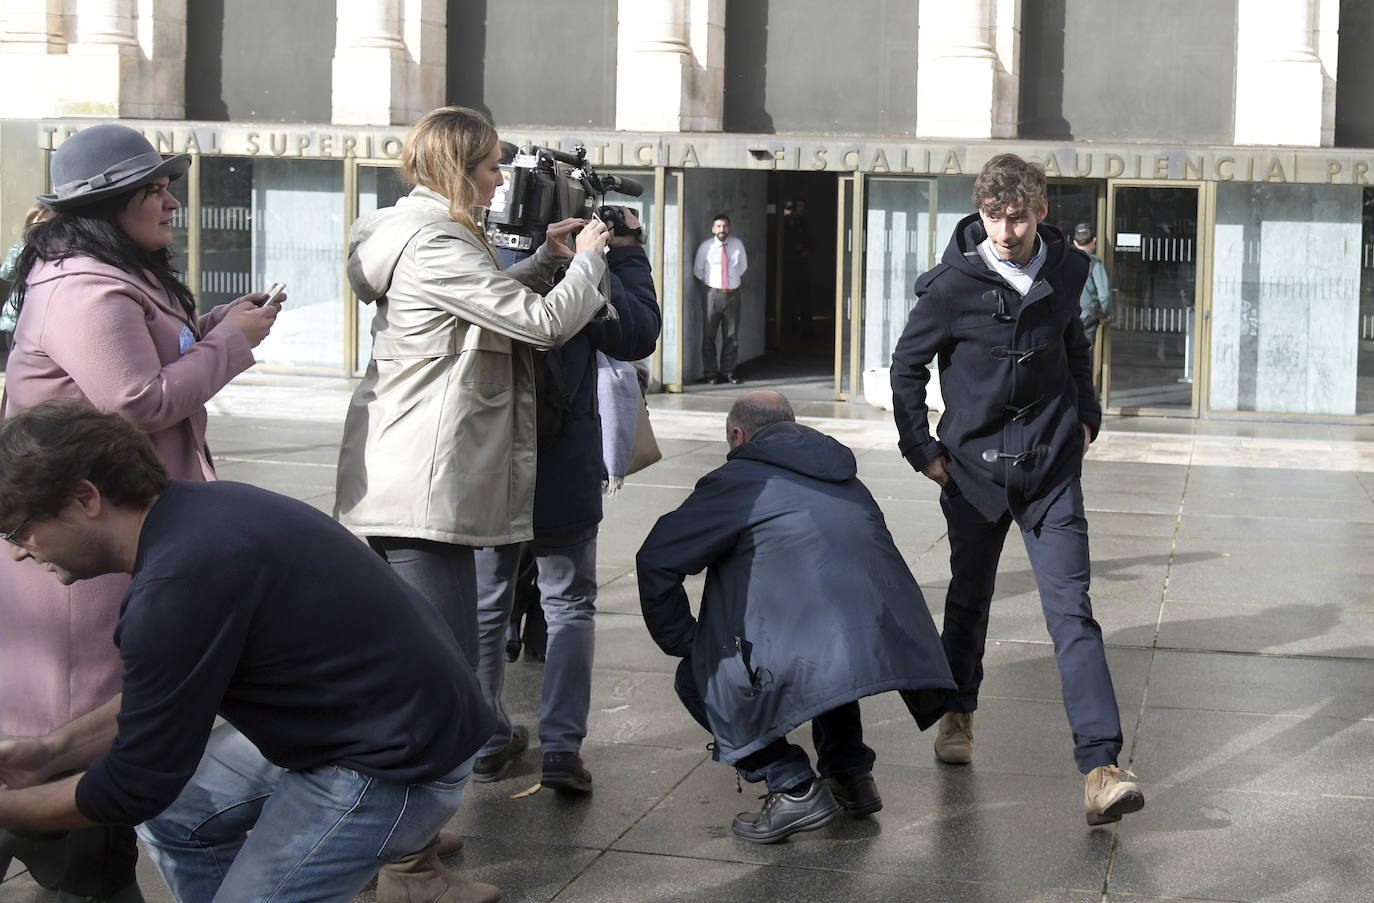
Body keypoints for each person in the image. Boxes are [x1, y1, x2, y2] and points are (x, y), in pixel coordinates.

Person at [0, 400, 495, 903]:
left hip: (397, 762)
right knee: (176, 818)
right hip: (390, 721)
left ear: (86, 497)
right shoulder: (198, 512)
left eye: (19, 530)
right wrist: (47, 754)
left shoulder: (176, 584)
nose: (19, 550)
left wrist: (9, 808)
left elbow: (132, 785)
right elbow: (158, 712)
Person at [0, 123, 281, 902]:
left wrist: (219, 328)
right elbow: (137, 400)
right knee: (79, 733)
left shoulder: (116, 272)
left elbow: (150, 366)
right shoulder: (86, 285)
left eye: (166, 183)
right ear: (108, 206)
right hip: (79, 554)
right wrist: (234, 345)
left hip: (111, 538)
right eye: (151, 189)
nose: (169, 199)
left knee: (98, 736)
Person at [889, 153, 1145, 827]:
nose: (1005, 230)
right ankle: (958, 712)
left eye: (1018, 215)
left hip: (1052, 469)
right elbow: (906, 365)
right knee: (969, 601)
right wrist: (922, 450)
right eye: (994, 216)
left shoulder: (1068, 270)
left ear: (1041, 212)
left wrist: (1087, 415)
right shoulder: (949, 286)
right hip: (973, 473)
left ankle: (1101, 767)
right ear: (981, 214)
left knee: (1073, 612)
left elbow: (1071, 345)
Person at [635, 390, 955, 844]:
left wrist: (686, 641)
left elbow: (657, 559)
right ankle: (851, 775)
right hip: (884, 636)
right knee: (830, 659)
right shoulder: (839, 473)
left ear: (737, 435)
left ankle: (793, 787)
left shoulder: (740, 480)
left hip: (833, 635)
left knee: (697, 679)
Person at [470, 206, 660, 795]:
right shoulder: (579, 270)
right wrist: (621, 249)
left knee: (484, 606)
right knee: (570, 606)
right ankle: (561, 748)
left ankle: (487, 738)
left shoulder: (479, 255)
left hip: (491, 467)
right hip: (562, 468)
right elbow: (635, 333)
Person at [692, 213, 748, 384]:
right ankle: (710, 373)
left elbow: (743, 267)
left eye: (724, 226)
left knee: (731, 335)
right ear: (713, 228)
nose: (721, 229)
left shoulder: (737, 245)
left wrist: (730, 283)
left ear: (728, 228)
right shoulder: (705, 247)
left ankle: (728, 372)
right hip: (712, 295)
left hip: (733, 294)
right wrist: (714, 284)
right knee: (709, 335)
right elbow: (698, 271)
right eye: (718, 226)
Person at [0, 203, 55, 362]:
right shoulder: (21, 247)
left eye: (45, 225)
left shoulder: (57, 249)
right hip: (16, 316)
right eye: (36, 224)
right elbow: (6, 273)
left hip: (42, 317)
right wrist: (26, 249)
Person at [1073, 222, 1112, 345]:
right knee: (1084, 356)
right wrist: (1106, 312)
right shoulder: (1094, 262)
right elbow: (1104, 295)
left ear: (1075, 242)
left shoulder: (1064, 260)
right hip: (1087, 318)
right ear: (1094, 241)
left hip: (1066, 316)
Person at [781, 199, 815, 337]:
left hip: (800, 265)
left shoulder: (803, 223)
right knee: (788, 298)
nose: (801, 210)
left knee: (804, 298)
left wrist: (807, 250)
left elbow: (812, 241)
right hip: (786, 265)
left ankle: (806, 329)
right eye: (798, 207)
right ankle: (788, 327)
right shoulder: (783, 223)